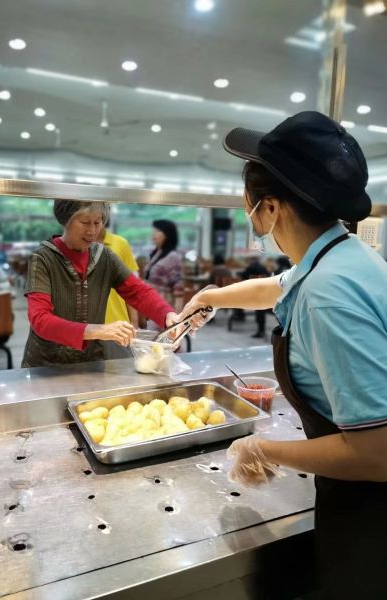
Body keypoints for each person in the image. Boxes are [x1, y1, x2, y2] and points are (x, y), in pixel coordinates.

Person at [179, 112, 387, 599]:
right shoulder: (344, 256)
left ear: (270, 209)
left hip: (372, 515)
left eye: (249, 204)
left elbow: (377, 453)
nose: (249, 213)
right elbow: (275, 287)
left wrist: (263, 450)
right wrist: (210, 296)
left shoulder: (326, 295)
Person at [22, 200, 181, 368]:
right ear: (65, 219)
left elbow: (138, 291)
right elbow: (40, 319)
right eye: (85, 222)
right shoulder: (43, 259)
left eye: (98, 222)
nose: (92, 231)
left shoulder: (104, 257)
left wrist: (167, 314)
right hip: (47, 365)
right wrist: (97, 330)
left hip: (91, 363)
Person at [98, 221, 139, 328]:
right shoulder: (77, 245)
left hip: (118, 321)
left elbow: (131, 286)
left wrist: (134, 321)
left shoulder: (121, 244)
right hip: (86, 326)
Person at [144, 220, 184, 324]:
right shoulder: (155, 253)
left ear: (167, 234)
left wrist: (178, 319)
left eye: (157, 231)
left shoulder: (173, 257)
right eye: (154, 231)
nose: (154, 234)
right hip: (150, 307)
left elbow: (178, 289)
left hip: (164, 309)